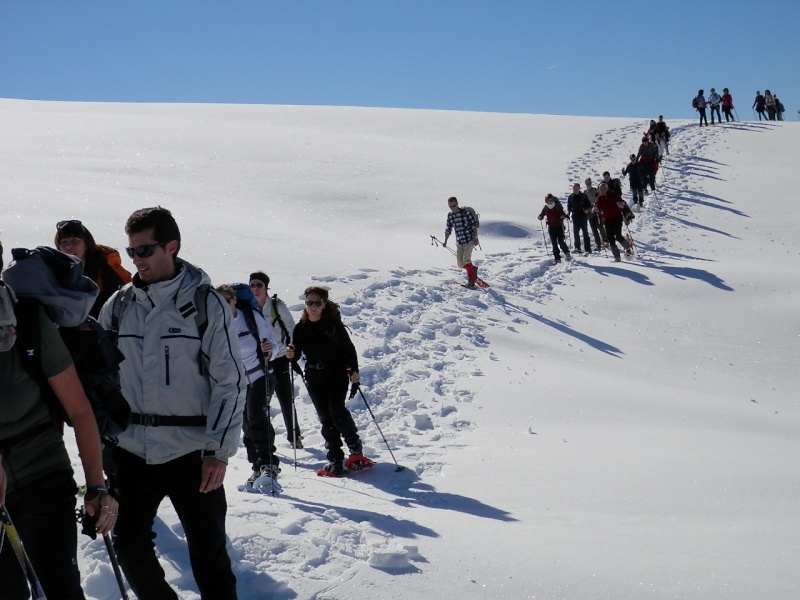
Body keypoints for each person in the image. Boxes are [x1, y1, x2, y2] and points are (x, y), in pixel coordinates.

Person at [99, 207, 245, 600]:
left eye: (145, 250)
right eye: (132, 252)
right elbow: (101, 380)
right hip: (132, 452)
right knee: (128, 544)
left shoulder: (206, 304)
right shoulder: (119, 305)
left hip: (192, 453)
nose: (137, 260)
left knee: (209, 554)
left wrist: (218, 451)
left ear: (172, 246)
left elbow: (229, 381)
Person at [1, 242, 118, 600]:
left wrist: (97, 486)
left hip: (42, 475)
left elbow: (80, 410)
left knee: (58, 588)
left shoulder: (28, 323)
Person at [285, 286, 364, 477]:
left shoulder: (333, 326)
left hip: (336, 373)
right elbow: (295, 354)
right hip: (314, 376)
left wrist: (353, 370)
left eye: (317, 303)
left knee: (336, 410)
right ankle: (335, 457)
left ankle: (354, 446)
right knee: (325, 417)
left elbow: (349, 348)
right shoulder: (301, 327)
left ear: (324, 304)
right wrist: (290, 354)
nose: (312, 307)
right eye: (309, 303)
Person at [215, 284, 279, 490]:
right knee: (245, 423)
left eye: (226, 300)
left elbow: (273, 344)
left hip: (260, 375)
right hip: (237, 381)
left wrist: (269, 350)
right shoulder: (216, 324)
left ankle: (269, 463)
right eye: (219, 301)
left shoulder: (250, 317)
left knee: (256, 415)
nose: (223, 305)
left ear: (234, 300)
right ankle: (257, 466)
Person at [248, 271, 303, 448]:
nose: (255, 289)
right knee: (261, 402)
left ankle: (295, 436)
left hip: (279, 358)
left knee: (286, 398)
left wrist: (291, 347)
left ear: (266, 287)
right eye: (253, 285)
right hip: (259, 360)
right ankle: (264, 440)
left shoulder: (276, 306)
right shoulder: (248, 308)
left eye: (259, 285)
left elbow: (291, 328)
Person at [54, 219, 132, 318]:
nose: (69, 246)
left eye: (75, 240)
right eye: (64, 242)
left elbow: (116, 308)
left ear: (86, 244)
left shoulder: (103, 269)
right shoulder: (54, 271)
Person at [442, 196, 480, 289]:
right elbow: (448, 229)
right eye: (450, 206)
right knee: (460, 263)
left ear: (457, 204)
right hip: (459, 242)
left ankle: (471, 282)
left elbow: (474, 225)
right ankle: (473, 270)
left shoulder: (465, 213)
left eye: (453, 206)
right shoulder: (450, 216)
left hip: (469, 240)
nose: (452, 208)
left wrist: (475, 238)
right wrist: (445, 241)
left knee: (466, 260)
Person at [594, 183, 632, 262]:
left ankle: (627, 246)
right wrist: (597, 210)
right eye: (601, 189)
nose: (602, 191)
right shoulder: (600, 198)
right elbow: (597, 207)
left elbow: (623, 203)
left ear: (607, 188)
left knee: (618, 236)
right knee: (610, 238)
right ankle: (617, 257)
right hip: (607, 220)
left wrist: (620, 204)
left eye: (603, 189)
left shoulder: (614, 194)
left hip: (617, 218)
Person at [538, 194, 571, 264]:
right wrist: (540, 216)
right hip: (551, 227)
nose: (550, 201)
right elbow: (542, 214)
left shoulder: (558, 206)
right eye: (548, 200)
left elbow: (563, 213)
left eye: (551, 200)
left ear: (553, 200)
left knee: (561, 241)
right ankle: (557, 258)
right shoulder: (546, 208)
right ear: (546, 201)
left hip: (559, 226)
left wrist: (564, 216)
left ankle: (566, 252)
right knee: (554, 243)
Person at [566, 184, 592, 254]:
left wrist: (587, 210)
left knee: (585, 232)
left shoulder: (583, 196)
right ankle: (577, 247)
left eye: (576, 189)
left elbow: (589, 205)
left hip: (583, 215)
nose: (575, 190)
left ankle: (588, 248)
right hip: (575, 216)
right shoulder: (571, 197)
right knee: (576, 232)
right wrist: (568, 212)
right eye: (574, 189)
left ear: (579, 189)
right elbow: (569, 206)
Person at [584, 178, 607, 251]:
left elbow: (600, 197)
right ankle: (598, 243)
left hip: (597, 210)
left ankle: (605, 239)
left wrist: (597, 205)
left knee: (600, 225)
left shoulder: (595, 190)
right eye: (587, 184)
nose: (588, 185)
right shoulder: (585, 192)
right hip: (590, 212)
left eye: (589, 183)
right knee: (593, 228)